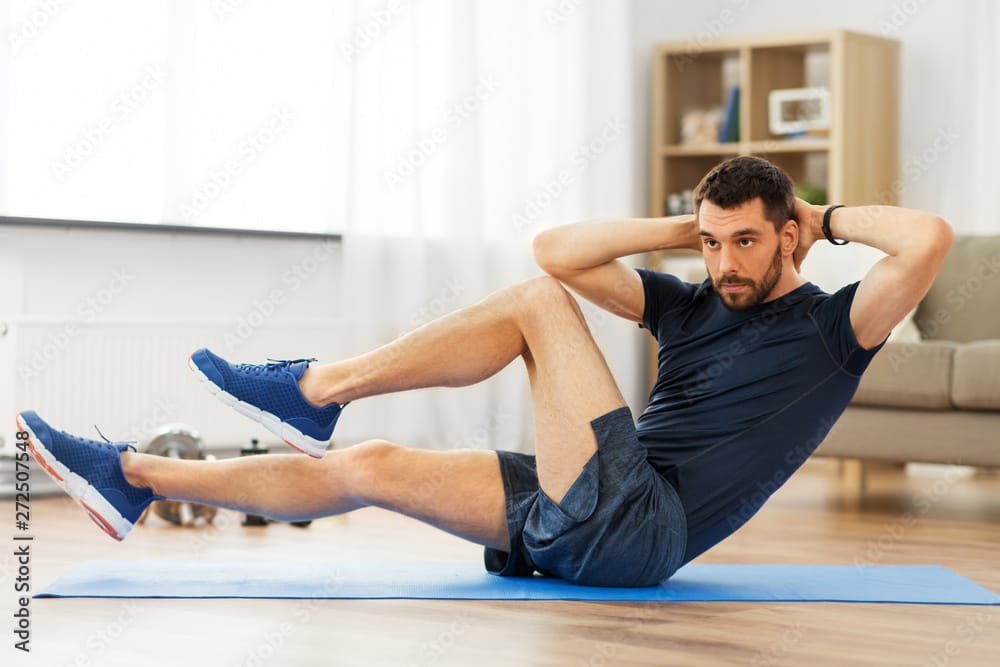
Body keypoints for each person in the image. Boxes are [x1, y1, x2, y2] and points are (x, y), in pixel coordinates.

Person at [16, 156, 954, 588]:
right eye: (713, 245)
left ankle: (312, 389)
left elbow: (928, 238)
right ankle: (133, 477)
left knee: (535, 309)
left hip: (641, 528)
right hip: (581, 514)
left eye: (746, 243)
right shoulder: (695, 299)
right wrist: (694, 224)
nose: (725, 265)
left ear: (787, 235)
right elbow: (558, 247)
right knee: (369, 465)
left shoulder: (835, 331)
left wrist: (816, 213)